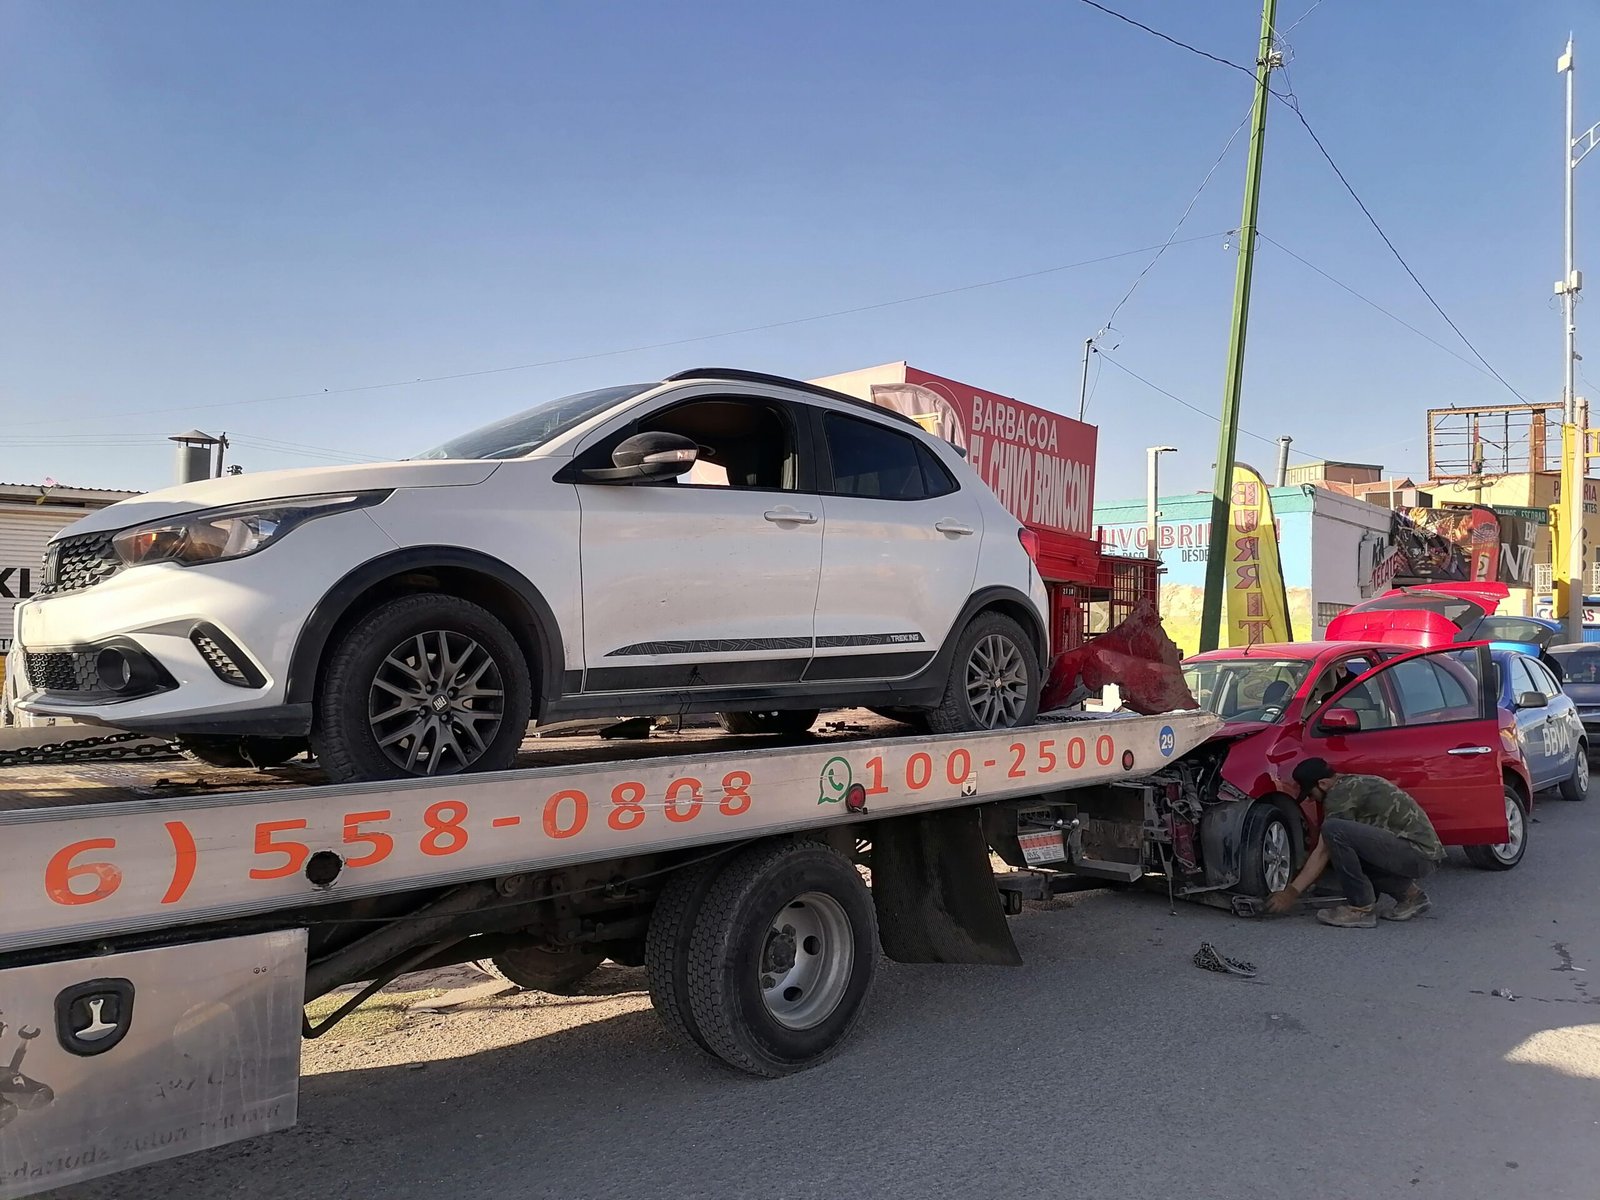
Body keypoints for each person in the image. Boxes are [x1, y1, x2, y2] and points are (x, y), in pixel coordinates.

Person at [1264, 759, 1445, 928]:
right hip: (1420, 855)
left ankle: (1360, 909)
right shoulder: (1352, 784)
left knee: (1333, 830)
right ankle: (1412, 896)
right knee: (1348, 849)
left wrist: (1292, 892)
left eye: (1311, 793)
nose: (1311, 800)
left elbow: (1323, 850)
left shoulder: (1339, 794)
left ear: (1323, 783)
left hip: (1416, 854)